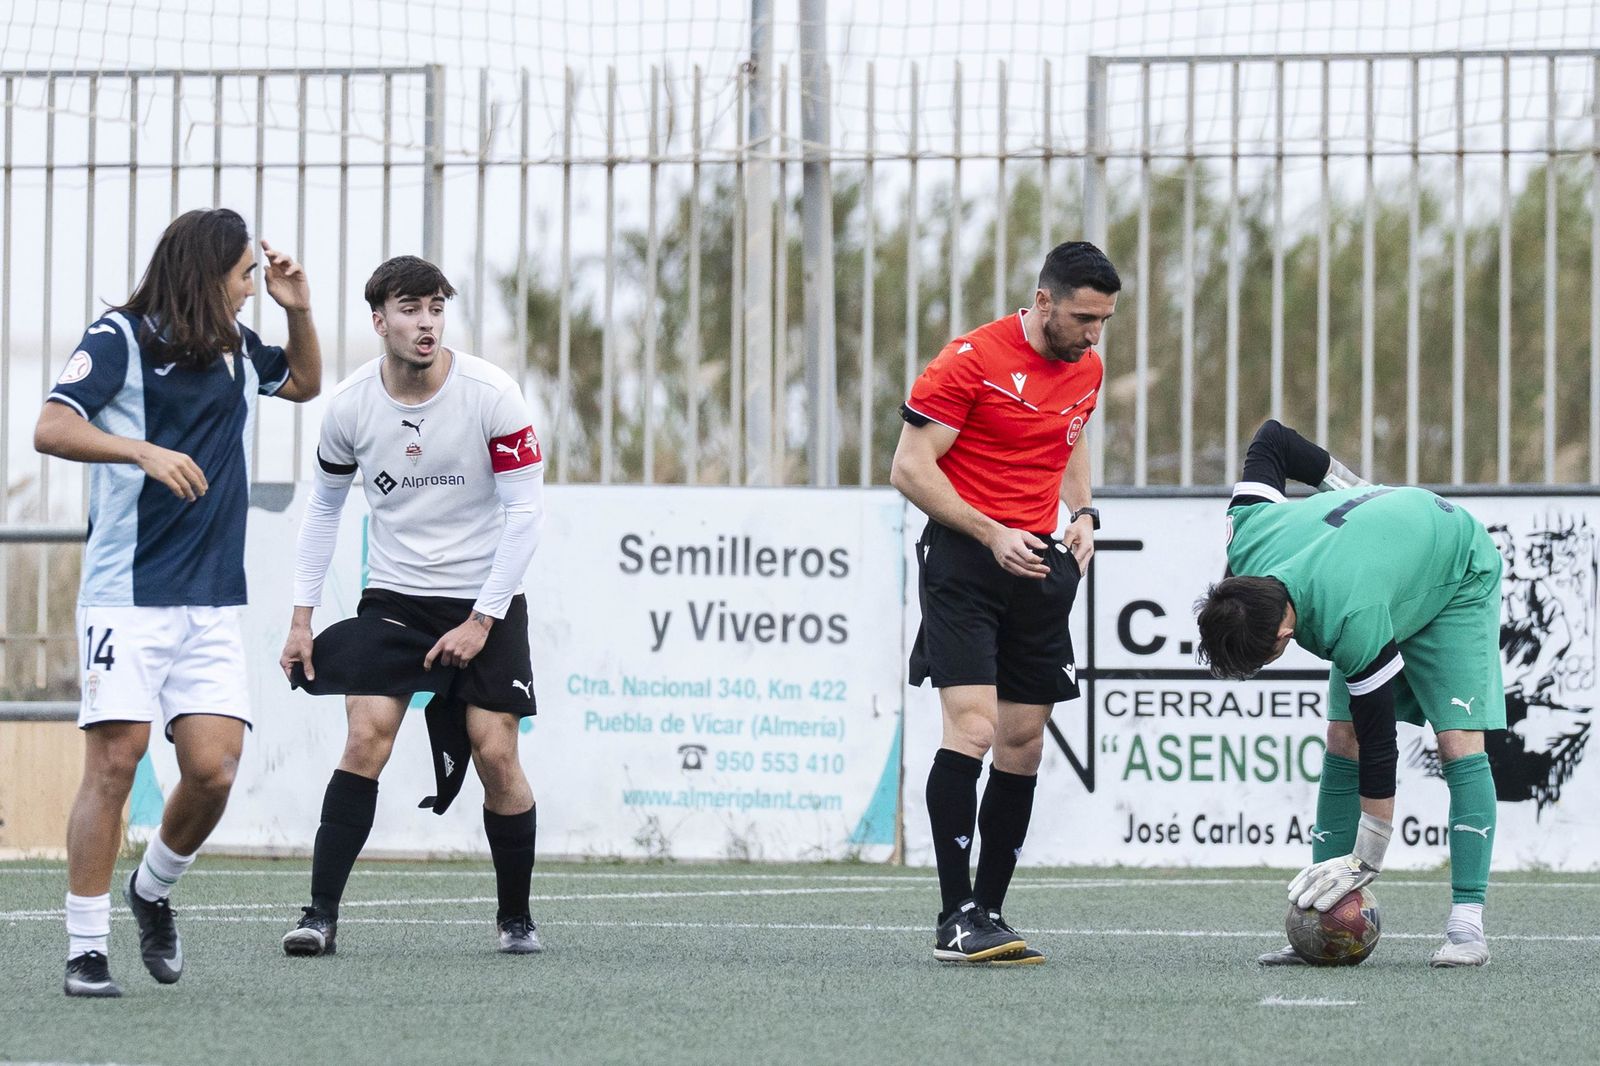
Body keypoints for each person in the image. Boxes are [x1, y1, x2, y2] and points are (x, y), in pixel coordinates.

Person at [35, 208, 322, 997]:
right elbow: (51, 427)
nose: (250, 293)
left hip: (210, 604)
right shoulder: (119, 339)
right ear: (206, 276)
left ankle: (152, 889)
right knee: (116, 761)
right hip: (125, 598)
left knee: (213, 771)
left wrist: (300, 311)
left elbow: (302, 382)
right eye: (243, 279)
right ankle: (85, 951)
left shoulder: (234, 351)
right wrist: (141, 449)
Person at [277, 255, 546, 958]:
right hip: (394, 598)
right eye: (409, 309)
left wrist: (481, 620)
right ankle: (319, 916)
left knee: (496, 752)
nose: (426, 323)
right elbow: (323, 514)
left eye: (435, 308)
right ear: (379, 321)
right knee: (367, 735)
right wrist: (302, 619)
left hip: (485, 596)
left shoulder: (494, 395)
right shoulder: (350, 406)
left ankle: (515, 917)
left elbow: (526, 516)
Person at [1194, 419, 1502, 968]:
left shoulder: (1348, 616)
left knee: (1457, 742)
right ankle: (1317, 922)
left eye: (1262, 659)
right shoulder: (1246, 534)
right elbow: (1271, 439)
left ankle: (1466, 926)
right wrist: (1350, 488)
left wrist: (1368, 857)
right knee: (1341, 737)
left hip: (1454, 569)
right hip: (1383, 564)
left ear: (1284, 634)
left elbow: (1382, 743)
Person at [890, 240, 1119, 965]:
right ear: (1043, 301)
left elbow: (1070, 439)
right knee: (977, 728)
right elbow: (908, 467)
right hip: (966, 559)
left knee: (1024, 740)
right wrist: (991, 534)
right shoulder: (969, 361)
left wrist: (1082, 515)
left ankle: (989, 911)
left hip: (1038, 565)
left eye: (1105, 321)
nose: (1093, 334)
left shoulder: (1087, 365)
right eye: (1084, 317)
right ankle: (953, 915)